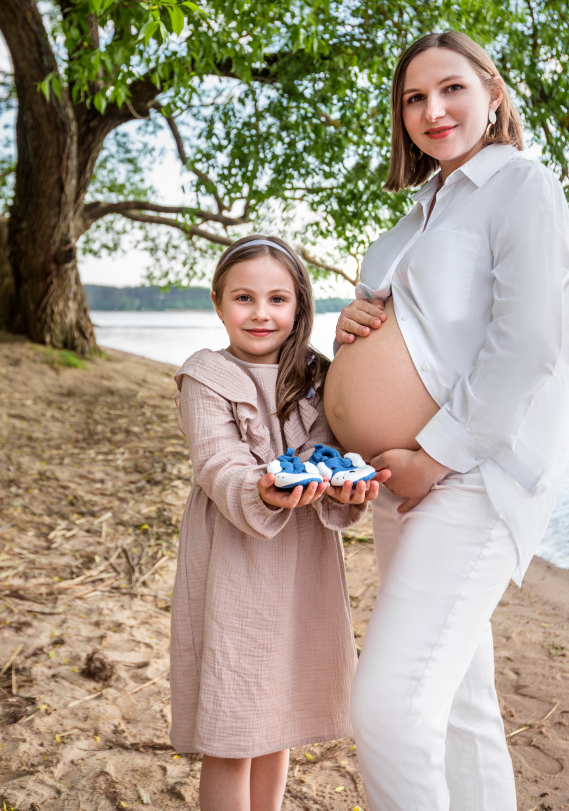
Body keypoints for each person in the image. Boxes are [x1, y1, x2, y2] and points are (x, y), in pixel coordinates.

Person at [324, 31, 569, 811]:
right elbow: (424, 329)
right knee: (464, 710)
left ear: (493, 93)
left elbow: (530, 343)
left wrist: (434, 454)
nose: (432, 110)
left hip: (466, 477)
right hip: (406, 485)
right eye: (413, 98)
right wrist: (354, 323)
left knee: (387, 706)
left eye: (451, 89)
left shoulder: (521, 185)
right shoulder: (422, 211)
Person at [169, 235, 389, 811]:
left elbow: (331, 453)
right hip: (233, 566)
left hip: (301, 567)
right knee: (234, 726)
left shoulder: (320, 376)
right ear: (218, 303)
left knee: (276, 714)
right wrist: (261, 489)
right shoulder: (205, 378)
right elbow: (216, 464)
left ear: (300, 306)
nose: (261, 314)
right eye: (244, 298)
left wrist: (348, 483)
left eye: (277, 299)